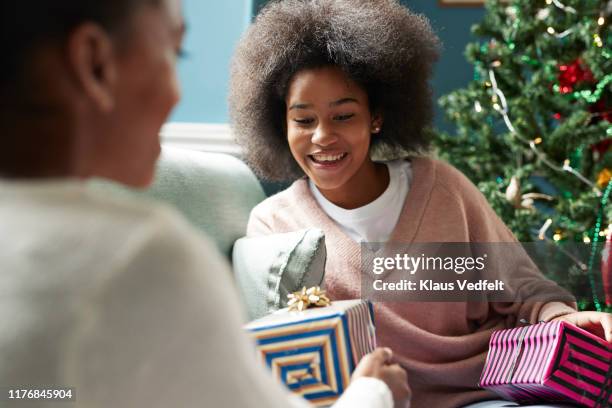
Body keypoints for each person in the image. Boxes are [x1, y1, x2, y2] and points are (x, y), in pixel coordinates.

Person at [0, 0, 410, 407]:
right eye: (175, 51)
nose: (177, 94)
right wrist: (375, 392)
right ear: (94, 63)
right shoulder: (140, 256)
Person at [228, 0, 612, 407]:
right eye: (304, 120)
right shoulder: (274, 225)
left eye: (343, 116)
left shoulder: (440, 187)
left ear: (376, 117)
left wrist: (563, 317)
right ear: (280, 123)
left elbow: (525, 291)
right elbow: (287, 355)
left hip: (483, 394)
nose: (322, 137)